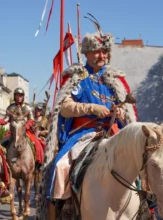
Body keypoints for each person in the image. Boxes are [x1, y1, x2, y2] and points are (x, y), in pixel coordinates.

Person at [37, 20, 137, 219]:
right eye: (97, 51)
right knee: (60, 166)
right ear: (87, 54)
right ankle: (62, 208)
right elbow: (64, 108)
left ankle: (145, 206)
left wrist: (122, 113)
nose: (101, 55)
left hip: (115, 133)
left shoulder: (117, 80)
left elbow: (128, 110)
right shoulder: (76, 77)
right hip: (83, 134)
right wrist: (92, 108)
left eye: (104, 51)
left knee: (140, 165)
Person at [0, 88, 44, 166]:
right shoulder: (10, 107)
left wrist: (27, 125)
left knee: (37, 144)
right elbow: (6, 118)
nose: (19, 97)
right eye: (17, 95)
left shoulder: (27, 108)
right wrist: (1, 121)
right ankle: (2, 163)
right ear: (15, 96)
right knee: (2, 142)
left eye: (21, 95)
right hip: (13, 131)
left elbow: (31, 119)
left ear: (23, 97)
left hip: (25, 131)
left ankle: (38, 163)